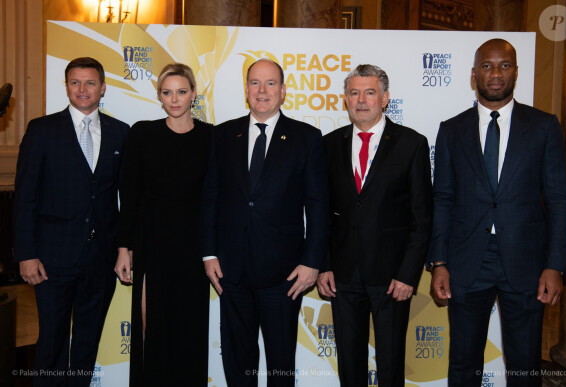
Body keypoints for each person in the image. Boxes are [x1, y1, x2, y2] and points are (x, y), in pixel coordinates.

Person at [427, 38, 566, 386]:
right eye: (487, 66)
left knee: (524, 365)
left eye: (504, 65)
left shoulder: (544, 126)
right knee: (464, 363)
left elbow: (559, 200)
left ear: (516, 72)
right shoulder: (452, 130)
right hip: (466, 260)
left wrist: (555, 266)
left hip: (526, 261)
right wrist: (439, 262)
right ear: (473, 74)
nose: (495, 74)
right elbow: (443, 199)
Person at [200, 58, 329, 387]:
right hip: (231, 271)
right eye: (255, 83)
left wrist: (312, 262)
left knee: (281, 363)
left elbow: (318, 205)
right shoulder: (223, 134)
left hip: (283, 275)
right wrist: (209, 254)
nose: (262, 90)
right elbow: (210, 197)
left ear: (283, 91)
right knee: (236, 361)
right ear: (246, 90)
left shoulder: (307, 138)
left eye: (270, 83)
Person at [13, 57, 129, 386]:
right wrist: (25, 253)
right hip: (51, 258)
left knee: (87, 344)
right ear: (66, 86)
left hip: (101, 258)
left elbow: (126, 198)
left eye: (90, 83)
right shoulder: (42, 130)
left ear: (102, 88)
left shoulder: (121, 133)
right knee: (51, 342)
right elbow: (26, 196)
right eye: (75, 82)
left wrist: (124, 247)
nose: (82, 89)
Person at [317, 64, 433, 386]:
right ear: (346, 99)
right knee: (349, 366)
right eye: (354, 93)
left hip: (392, 279)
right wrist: (324, 265)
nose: (362, 100)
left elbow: (422, 217)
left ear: (385, 99)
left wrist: (408, 274)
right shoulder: (328, 145)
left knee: (391, 363)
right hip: (343, 275)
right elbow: (321, 213)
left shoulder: (412, 144)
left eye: (370, 92)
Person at [114, 63, 212, 386]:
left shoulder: (212, 137)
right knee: (149, 326)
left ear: (194, 94)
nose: (175, 99)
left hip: (193, 248)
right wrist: (123, 248)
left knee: (188, 329)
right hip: (150, 244)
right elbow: (129, 195)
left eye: (181, 91)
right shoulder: (142, 132)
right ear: (158, 96)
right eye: (167, 92)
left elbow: (218, 199)